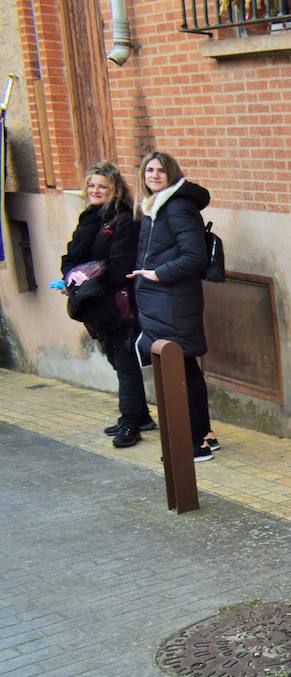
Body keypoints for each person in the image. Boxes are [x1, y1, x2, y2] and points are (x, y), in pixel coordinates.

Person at [127, 151, 215, 462]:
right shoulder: (156, 205)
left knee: (179, 369)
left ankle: (194, 444)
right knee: (186, 367)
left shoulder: (175, 207)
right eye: (149, 170)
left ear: (171, 174)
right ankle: (203, 435)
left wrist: (157, 273)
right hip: (164, 301)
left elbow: (195, 257)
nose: (154, 175)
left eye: (161, 171)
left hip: (173, 301)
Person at [60, 161, 152, 447]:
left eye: (103, 186)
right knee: (116, 359)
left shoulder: (123, 219)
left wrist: (85, 278)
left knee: (124, 360)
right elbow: (70, 259)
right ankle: (141, 415)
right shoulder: (88, 218)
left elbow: (119, 266)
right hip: (93, 302)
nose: (96, 190)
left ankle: (130, 423)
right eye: (91, 185)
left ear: (115, 189)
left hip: (118, 303)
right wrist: (73, 278)